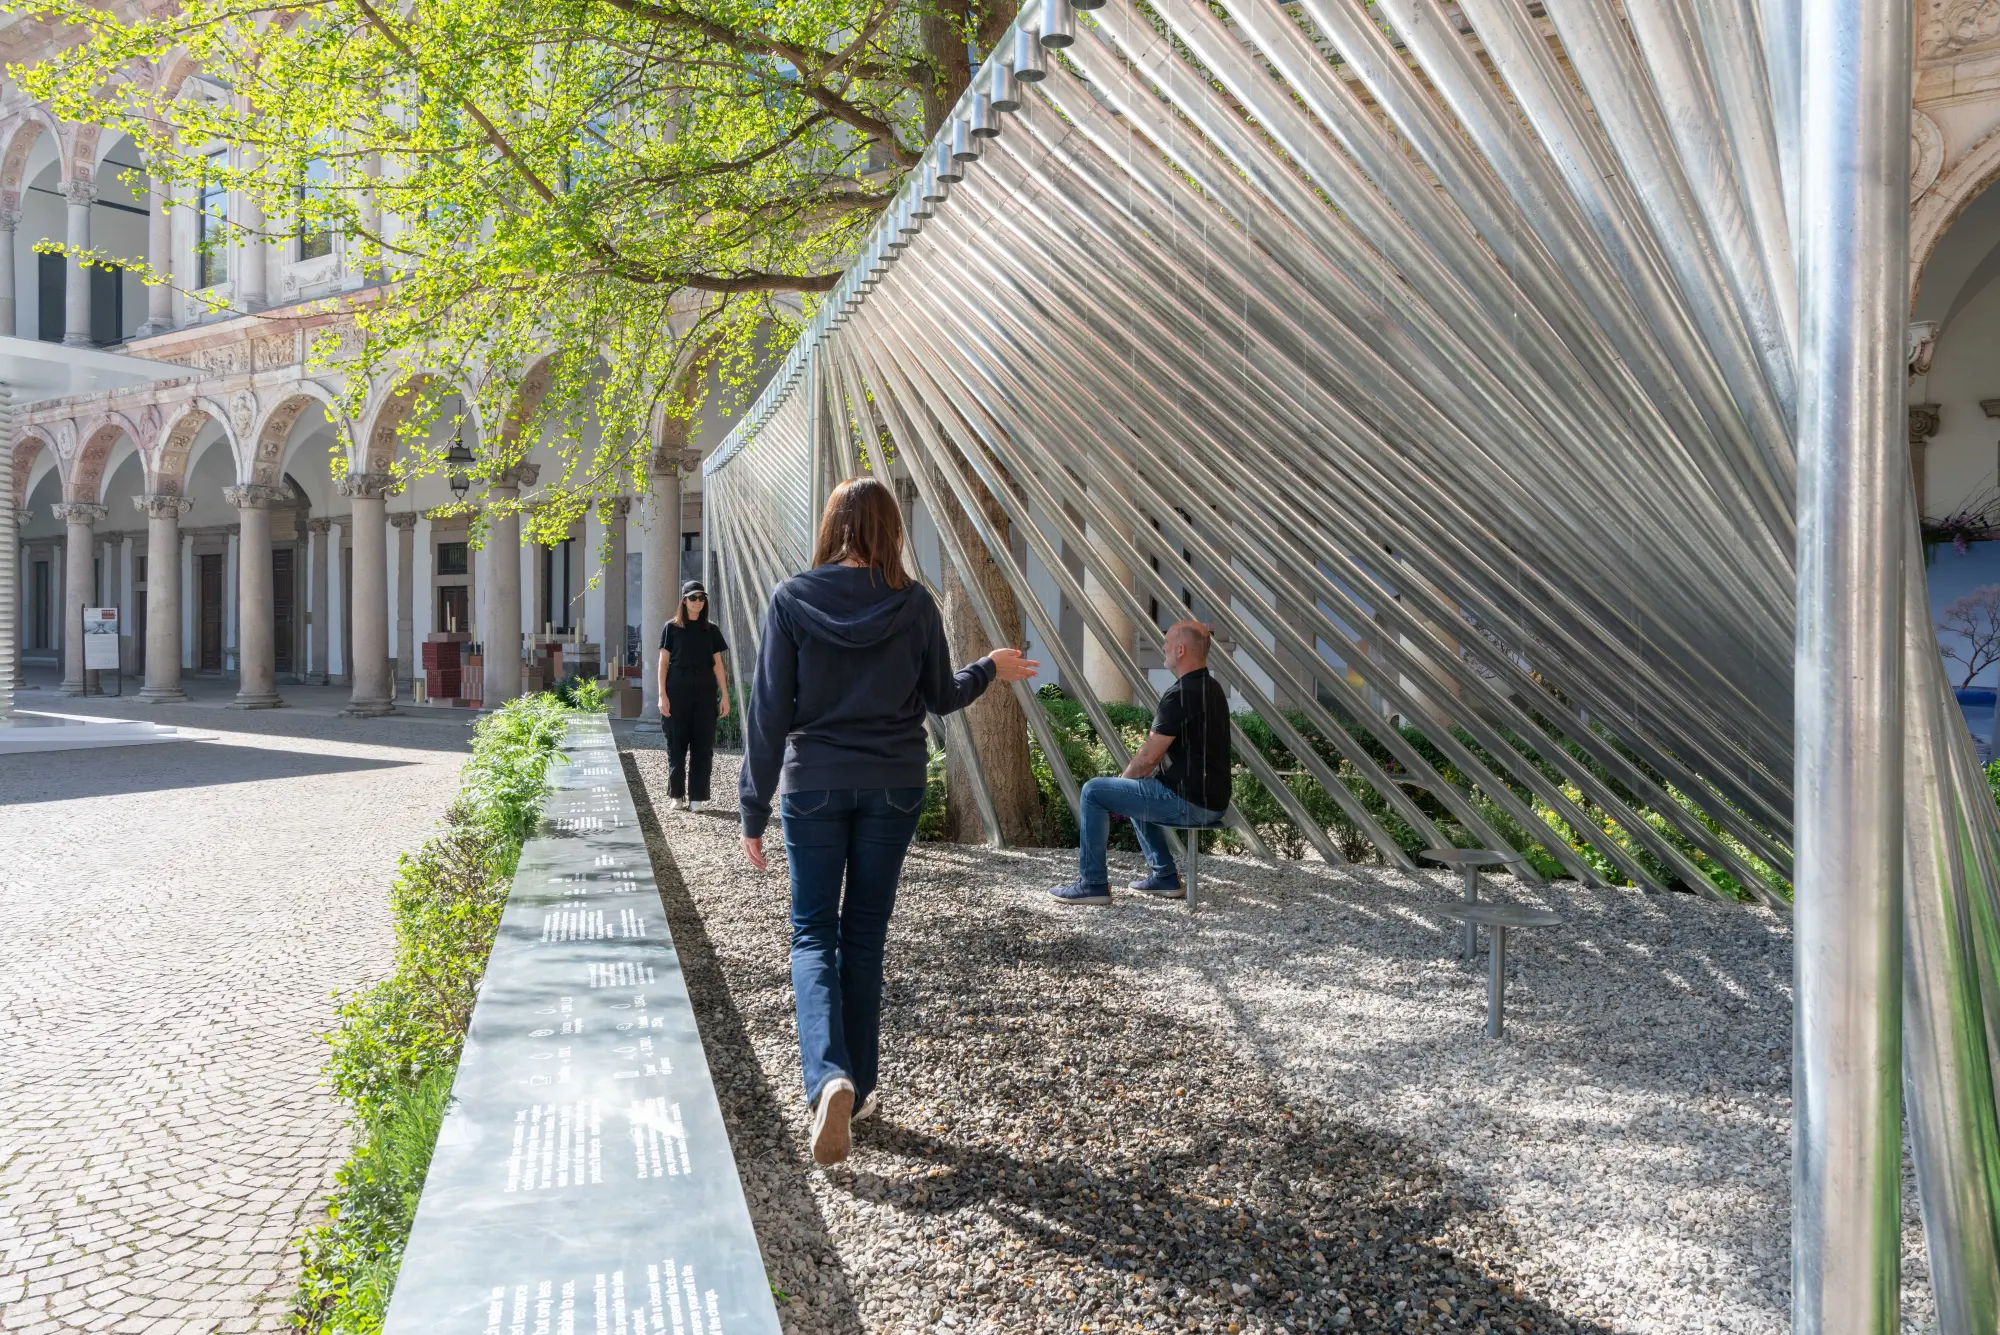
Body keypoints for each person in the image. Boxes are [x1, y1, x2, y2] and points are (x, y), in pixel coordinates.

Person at [738, 476, 1039, 1166]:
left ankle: (829, 1077)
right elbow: (940, 695)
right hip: (894, 785)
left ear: (831, 526)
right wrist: (987, 669)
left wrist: (753, 806)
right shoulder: (914, 603)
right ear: (891, 529)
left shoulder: (791, 599)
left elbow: (768, 713)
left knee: (813, 932)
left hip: (815, 784)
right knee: (865, 934)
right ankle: (863, 1086)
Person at [1049, 620, 1232, 904]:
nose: (1163, 648)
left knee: (1094, 791)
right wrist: (1130, 785)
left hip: (1191, 803)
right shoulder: (1212, 687)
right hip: (1213, 801)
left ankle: (1092, 884)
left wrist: (1122, 783)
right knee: (1139, 787)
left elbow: (1148, 757)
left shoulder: (1181, 694)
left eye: (1167, 643)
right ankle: (1165, 878)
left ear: (1181, 650)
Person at [657, 580, 730, 812]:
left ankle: (697, 797)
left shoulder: (711, 630)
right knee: (676, 745)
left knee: (703, 746)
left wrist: (725, 696)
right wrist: (662, 695)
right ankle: (677, 795)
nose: (698, 602)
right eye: (693, 597)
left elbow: (718, 665)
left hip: (705, 695)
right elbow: (663, 663)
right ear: (684, 600)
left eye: (701, 598)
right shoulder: (671, 628)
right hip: (676, 693)